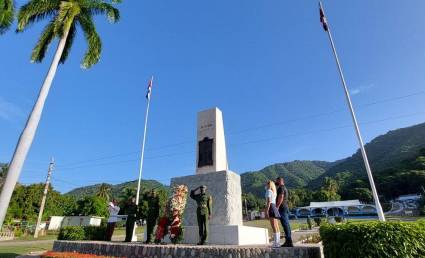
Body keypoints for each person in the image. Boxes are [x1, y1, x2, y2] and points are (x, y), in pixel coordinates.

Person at [275, 177, 293, 247]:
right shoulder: (283, 187)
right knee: (286, 224)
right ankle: (288, 241)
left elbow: (281, 197)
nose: (276, 182)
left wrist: (277, 206)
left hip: (282, 208)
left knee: (285, 224)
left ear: (280, 181)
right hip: (284, 208)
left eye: (276, 181)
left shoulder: (281, 188)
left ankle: (289, 241)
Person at [265, 180, 281, 248]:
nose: (265, 185)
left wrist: (266, 210)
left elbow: (268, 201)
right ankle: (277, 243)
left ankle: (276, 243)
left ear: (269, 185)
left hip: (271, 207)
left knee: (274, 226)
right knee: (276, 226)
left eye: (266, 184)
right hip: (274, 207)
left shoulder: (269, 191)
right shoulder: (274, 192)